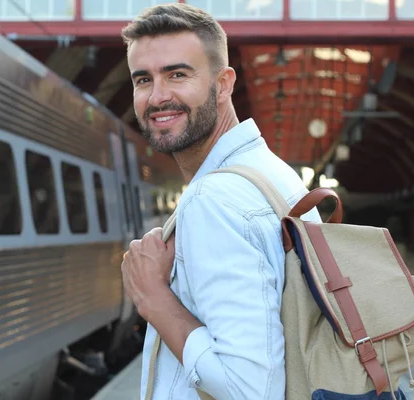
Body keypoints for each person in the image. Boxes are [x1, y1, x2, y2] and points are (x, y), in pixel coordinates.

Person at [119, 3, 322, 399]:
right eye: (143, 79)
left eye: (177, 74)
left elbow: (248, 390)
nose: (158, 97)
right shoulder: (271, 173)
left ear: (224, 83)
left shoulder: (215, 200)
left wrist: (153, 298)